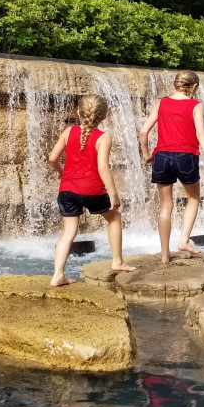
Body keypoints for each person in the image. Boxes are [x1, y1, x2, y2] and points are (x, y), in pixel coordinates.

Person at [47, 94, 136, 287]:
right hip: (92, 190)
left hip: (67, 190)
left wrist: (63, 173)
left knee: (69, 232)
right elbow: (103, 167)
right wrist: (113, 193)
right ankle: (117, 261)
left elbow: (53, 158)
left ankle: (57, 275)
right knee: (114, 218)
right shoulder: (104, 137)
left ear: (78, 112)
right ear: (104, 116)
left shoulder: (68, 131)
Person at [138, 72, 204, 264]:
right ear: (194, 86)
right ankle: (184, 240)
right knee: (194, 197)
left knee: (165, 206)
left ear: (176, 84)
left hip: (161, 157)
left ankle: (164, 255)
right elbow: (200, 132)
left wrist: (147, 154)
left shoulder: (162, 103)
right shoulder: (196, 105)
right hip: (185, 157)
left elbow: (143, 131)